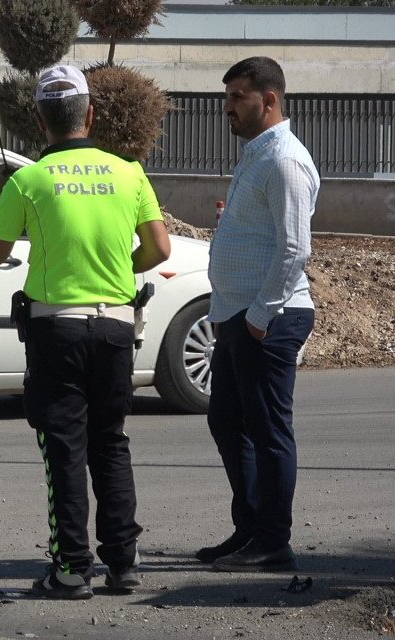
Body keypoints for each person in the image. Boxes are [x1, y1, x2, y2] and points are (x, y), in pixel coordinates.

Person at [0, 65, 172, 600]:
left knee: (64, 448)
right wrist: (115, 270)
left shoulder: (29, 180)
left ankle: (70, 569)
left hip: (55, 330)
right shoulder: (129, 173)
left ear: (41, 120)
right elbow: (159, 249)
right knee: (111, 443)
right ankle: (124, 563)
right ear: (90, 114)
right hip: (114, 325)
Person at [198, 56, 318, 572]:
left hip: (268, 317)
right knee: (227, 421)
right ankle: (249, 529)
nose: (228, 108)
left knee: (269, 432)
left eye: (236, 98)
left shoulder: (285, 159)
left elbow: (295, 247)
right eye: (227, 98)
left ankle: (273, 540)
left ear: (268, 100)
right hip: (237, 314)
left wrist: (261, 315)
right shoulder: (256, 152)